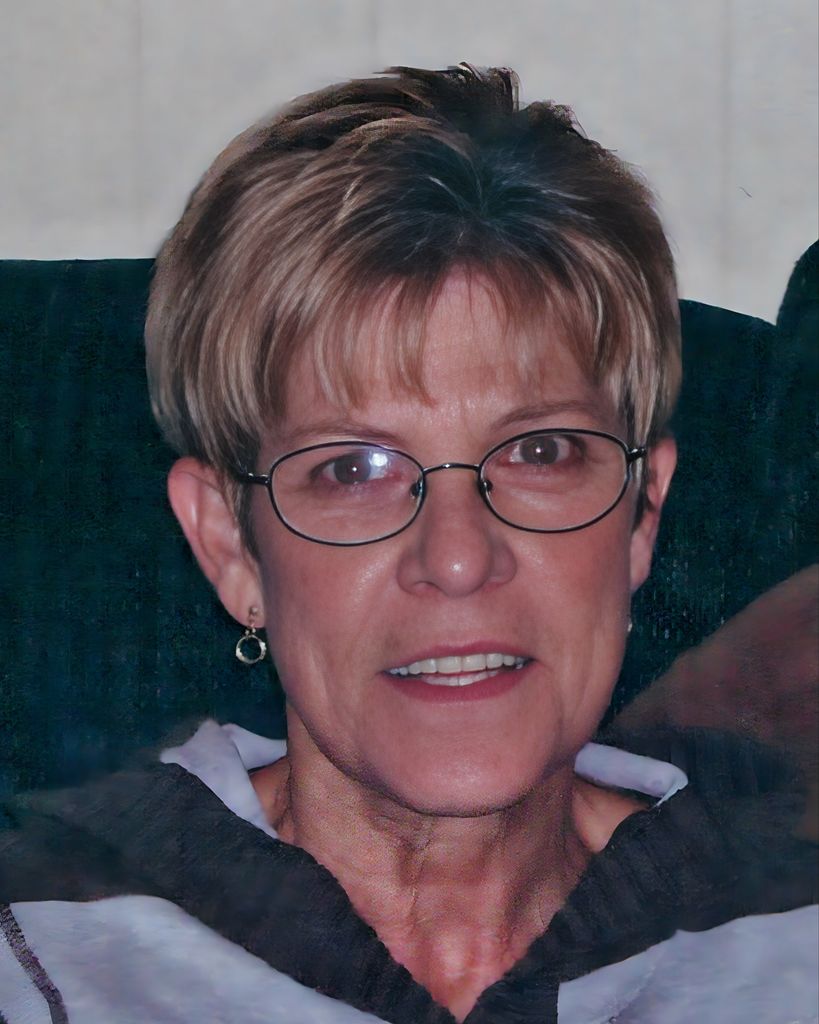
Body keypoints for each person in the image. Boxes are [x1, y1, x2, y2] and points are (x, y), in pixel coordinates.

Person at [0, 64, 816, 1024]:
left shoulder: (789, 937)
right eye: (353, 469)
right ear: (229, 544)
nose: (459, 558)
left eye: (540, 452)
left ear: (641, 514)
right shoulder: (37, 946)